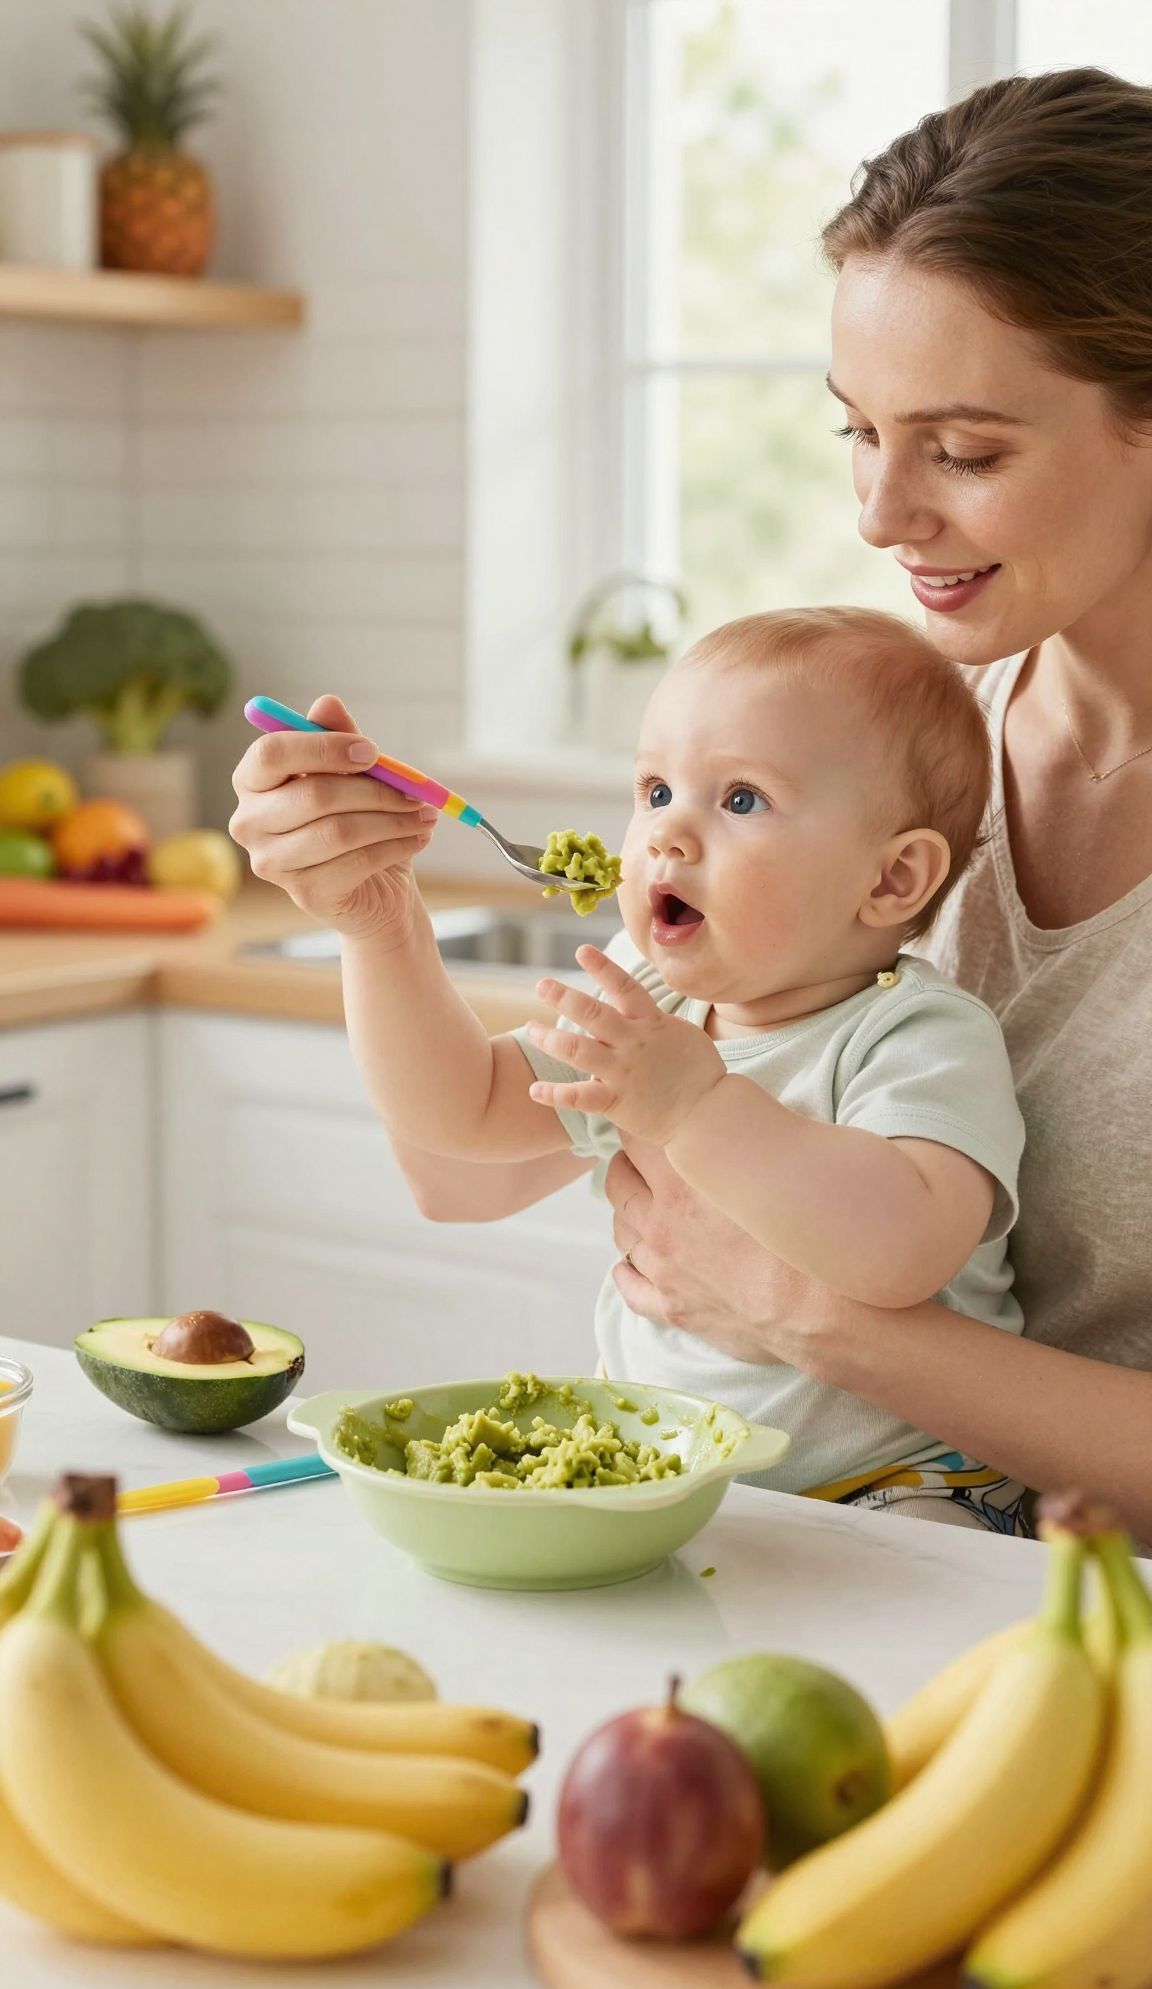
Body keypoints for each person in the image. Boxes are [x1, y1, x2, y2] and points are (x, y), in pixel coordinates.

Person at [230, 67, 1152, 1546]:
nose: (879, 513)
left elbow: (824, 1270)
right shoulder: (893, 748)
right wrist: (370, 915)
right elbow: (459, 1156)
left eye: (965, 451)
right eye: (857, 429)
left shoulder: (872, 799)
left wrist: (811, 1317)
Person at [234, 603, 1030, 1532]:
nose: (667, 836)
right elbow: (466, 1116)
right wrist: (376, 927)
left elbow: (900, 1251)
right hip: (683, 1483)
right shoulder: (652, 1005)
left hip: (900, 1487)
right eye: (654, 791)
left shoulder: (918, 1033)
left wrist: (695, 1108)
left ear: (892, 879)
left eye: (740, 800)